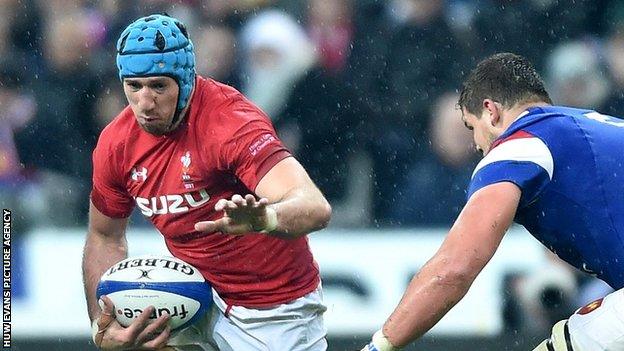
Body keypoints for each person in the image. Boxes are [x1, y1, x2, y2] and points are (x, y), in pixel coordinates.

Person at [82, 14, 332, 351]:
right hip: (191, 302)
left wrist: (267, 219)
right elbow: (104, 236)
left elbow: (314, 207)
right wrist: (102, 325)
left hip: (272, 307)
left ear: (185, 80)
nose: (144, 102)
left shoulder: (231, 124)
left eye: (158, 86)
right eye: (134, 86)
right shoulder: (116, 143)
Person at [360, 52, 624, 351]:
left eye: (471, 127)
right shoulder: (591, 123)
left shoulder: (520, 145)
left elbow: (454, 269)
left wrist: (378, 346)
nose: (475, 143)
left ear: (491, 111)